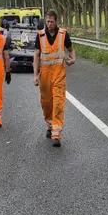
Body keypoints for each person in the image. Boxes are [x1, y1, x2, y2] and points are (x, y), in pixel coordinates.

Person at [33, 10, 75, 147]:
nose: (49, 24)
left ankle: (56, 135)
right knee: (46, 103)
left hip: (59, 73)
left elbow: (71, 49)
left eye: (52, 21)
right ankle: (50, 126)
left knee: (58, 101)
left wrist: (72, 59)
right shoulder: (40, 35)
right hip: (44, 74)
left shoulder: (63, 34)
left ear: (56, 21)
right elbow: (36, 56)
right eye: (48, 21)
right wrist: (35, 75)